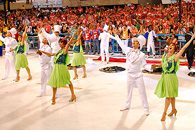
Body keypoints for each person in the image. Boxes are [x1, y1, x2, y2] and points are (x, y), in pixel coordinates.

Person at [152, 32, 195, 121]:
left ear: (174, 49)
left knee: (168, 96)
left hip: (171, 78)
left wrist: (192, 38)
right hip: (165, 77)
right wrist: (156, 65)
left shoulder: (175, 57)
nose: (170, 46)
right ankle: (174, 110)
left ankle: (164, 113)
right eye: (169, 45)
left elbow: (184, 48)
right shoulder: (164, 56)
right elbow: (162, 65)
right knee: (171, 96)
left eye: (172, 46)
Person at [113, 28, 150, 116]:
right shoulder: (128, 50)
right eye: (133, 41)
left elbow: (145, 65)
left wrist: (151, 68)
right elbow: (121, 43)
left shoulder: (142, 55)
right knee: (129, 91)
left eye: (136, 42)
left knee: (142, 92)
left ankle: (146, 108)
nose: (133, 42)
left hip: (138, 75)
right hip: (129, 74)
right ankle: (127, 105)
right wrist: (116, 35)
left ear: (139, 44)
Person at [38, 32, 77, 105]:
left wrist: (73, 36)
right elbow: (50, 54)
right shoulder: (59, 51)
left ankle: (73, 95)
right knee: (55, 82)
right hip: (56, 68)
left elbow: (68, 44)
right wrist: (42, 51)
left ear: (64, 44)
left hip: (62, 68)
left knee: (68, 81)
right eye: (59, 42)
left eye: (61, 43)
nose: (60, 44)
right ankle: (53, 98)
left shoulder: (65, 50)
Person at [36, 29, 52, 96]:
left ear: (47, 41)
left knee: (50, 79)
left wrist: (41, 54)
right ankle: (42, 92)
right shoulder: (42, 46)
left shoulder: (48, 48)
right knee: (42, 80)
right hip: (42, 66)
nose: (43, 39)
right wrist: (40, 33)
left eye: (45, 39)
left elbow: (46, 57)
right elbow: (40, 38)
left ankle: (55, 93)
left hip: (47, 66)